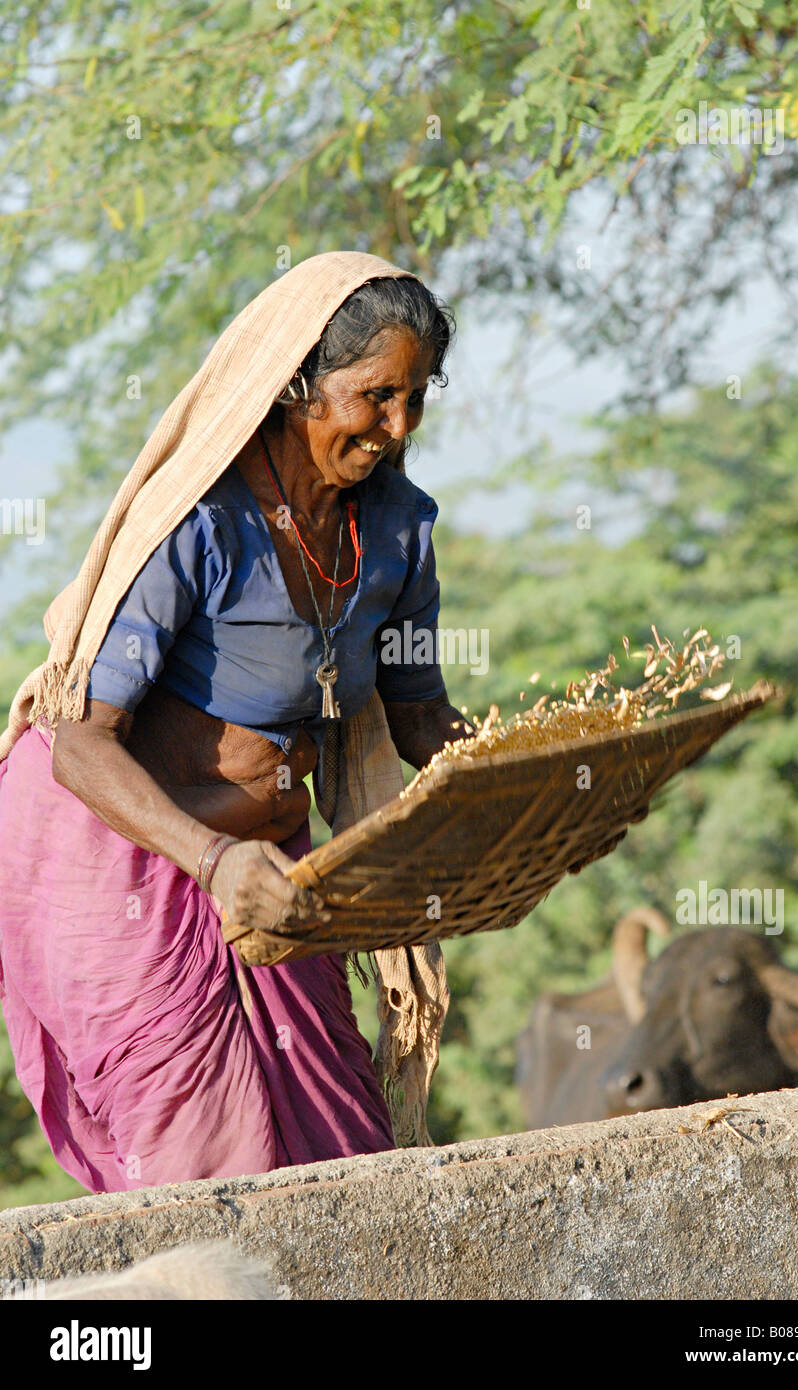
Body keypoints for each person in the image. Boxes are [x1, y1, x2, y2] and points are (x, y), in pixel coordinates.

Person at [0, 252, 473, 1193]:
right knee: (197, 1167)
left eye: (416, 397)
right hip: (121, 853)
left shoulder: (400, 532)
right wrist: (215, 865)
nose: (398, 426)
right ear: (297, 383)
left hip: (270, 859)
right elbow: (82, 746)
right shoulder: (200, 523)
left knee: (341, 1152)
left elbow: (421, 716)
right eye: (374, 396)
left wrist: (538, 781)